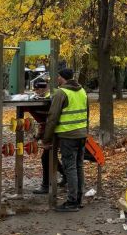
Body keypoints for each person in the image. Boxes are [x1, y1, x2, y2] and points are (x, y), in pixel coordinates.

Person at [42, 67, 88, 212]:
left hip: (68, 136)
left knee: (71, 168)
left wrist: (46, 138)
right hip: (81, 134)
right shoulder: (82, 91)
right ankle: (79, 198)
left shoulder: (61, 93)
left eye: (58, 77)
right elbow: (87, 113)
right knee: (79, 166)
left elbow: (52, 117)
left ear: (62, 78)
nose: (57, 79)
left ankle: (72, 201)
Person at [26, 78, 65, 194]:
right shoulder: (39, 100)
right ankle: (66, 175)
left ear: (43, 88)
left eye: (37, 89)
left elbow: (50, 120)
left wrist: (46, 139)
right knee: (50, 157)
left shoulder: (50, 99)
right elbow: (43, 123)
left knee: (46, 157)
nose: (35, 92)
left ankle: (46, 185)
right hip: (50, 130)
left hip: (57, 131)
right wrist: (38, 137)